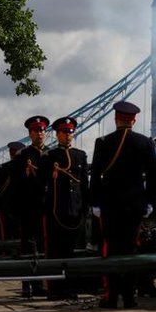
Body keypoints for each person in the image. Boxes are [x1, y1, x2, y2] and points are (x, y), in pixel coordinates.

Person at [90, 101, 156, 309]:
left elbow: (95, 176)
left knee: (109, 249)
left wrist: (95, 202)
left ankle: (110, 297)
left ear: (115, 118)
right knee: (131, 250)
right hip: (134, 206)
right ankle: (129, 298)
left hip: (109, 206)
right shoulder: (144, 142)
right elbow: (154, 176)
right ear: (134, 120)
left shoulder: (103, 142)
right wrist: (149, 202)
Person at [39, 116, 89, 300]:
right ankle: (54, 288)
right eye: (64, 132)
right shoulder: (49, 157)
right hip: (55, 211)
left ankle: (69, 286)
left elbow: (84, 185)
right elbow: (41, 184)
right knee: (54, 251)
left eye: (70, 132)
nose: (67, 135)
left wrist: (85, 208)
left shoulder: (80, 155)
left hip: (74, 211)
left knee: (71, 252)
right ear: (57, 134)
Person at [14, 115, 50, 298]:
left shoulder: (52, 154)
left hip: (47, 207)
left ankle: (42, 283)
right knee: (28, 247)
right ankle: (27, 283)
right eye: (36, 131)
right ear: (30, 134)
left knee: (44, 246)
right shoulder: (23, 155)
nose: (40, 134)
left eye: (42, 130)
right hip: (28, 207)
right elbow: (15, 183)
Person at [0, 141, 26, 241]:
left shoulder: (5, 168)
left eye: (14, 151)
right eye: (12, 151)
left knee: (11, 234)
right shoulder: (4, 168)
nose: (12, 153)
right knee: (9, 234)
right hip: (8, 207)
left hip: (14, 206)